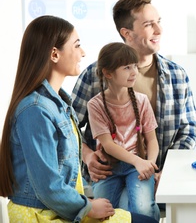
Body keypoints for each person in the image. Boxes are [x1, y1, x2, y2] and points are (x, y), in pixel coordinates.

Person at [0, 15, 157, 223]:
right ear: (54, 54)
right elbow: (48, 186)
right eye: (77, 45)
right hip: (41, 215)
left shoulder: (60, 104)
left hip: (61, 209)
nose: (82, 53)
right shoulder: (36, 110)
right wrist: (88, 206)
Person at [71, 0, 196, 208]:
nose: (159, 30)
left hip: (156, 178)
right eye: (149, 24)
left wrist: (165, 172)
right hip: (108, 176)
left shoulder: (177, 75)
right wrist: (87, 156)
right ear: (126, 33)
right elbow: (67, 128)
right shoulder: (95, 75)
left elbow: (189, 132)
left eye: (159, 22)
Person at [87, 42, 160, 221]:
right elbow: (108, 145)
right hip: (108, 168)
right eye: (127, 67)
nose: (134, 72)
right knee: (103, 214)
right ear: (108, 73)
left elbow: (152, 140)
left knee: (142, 210)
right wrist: (138, 162)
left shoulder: (142, 101)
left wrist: (149, 165)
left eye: (135, 66)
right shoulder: (95, 105)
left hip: (137, 167)